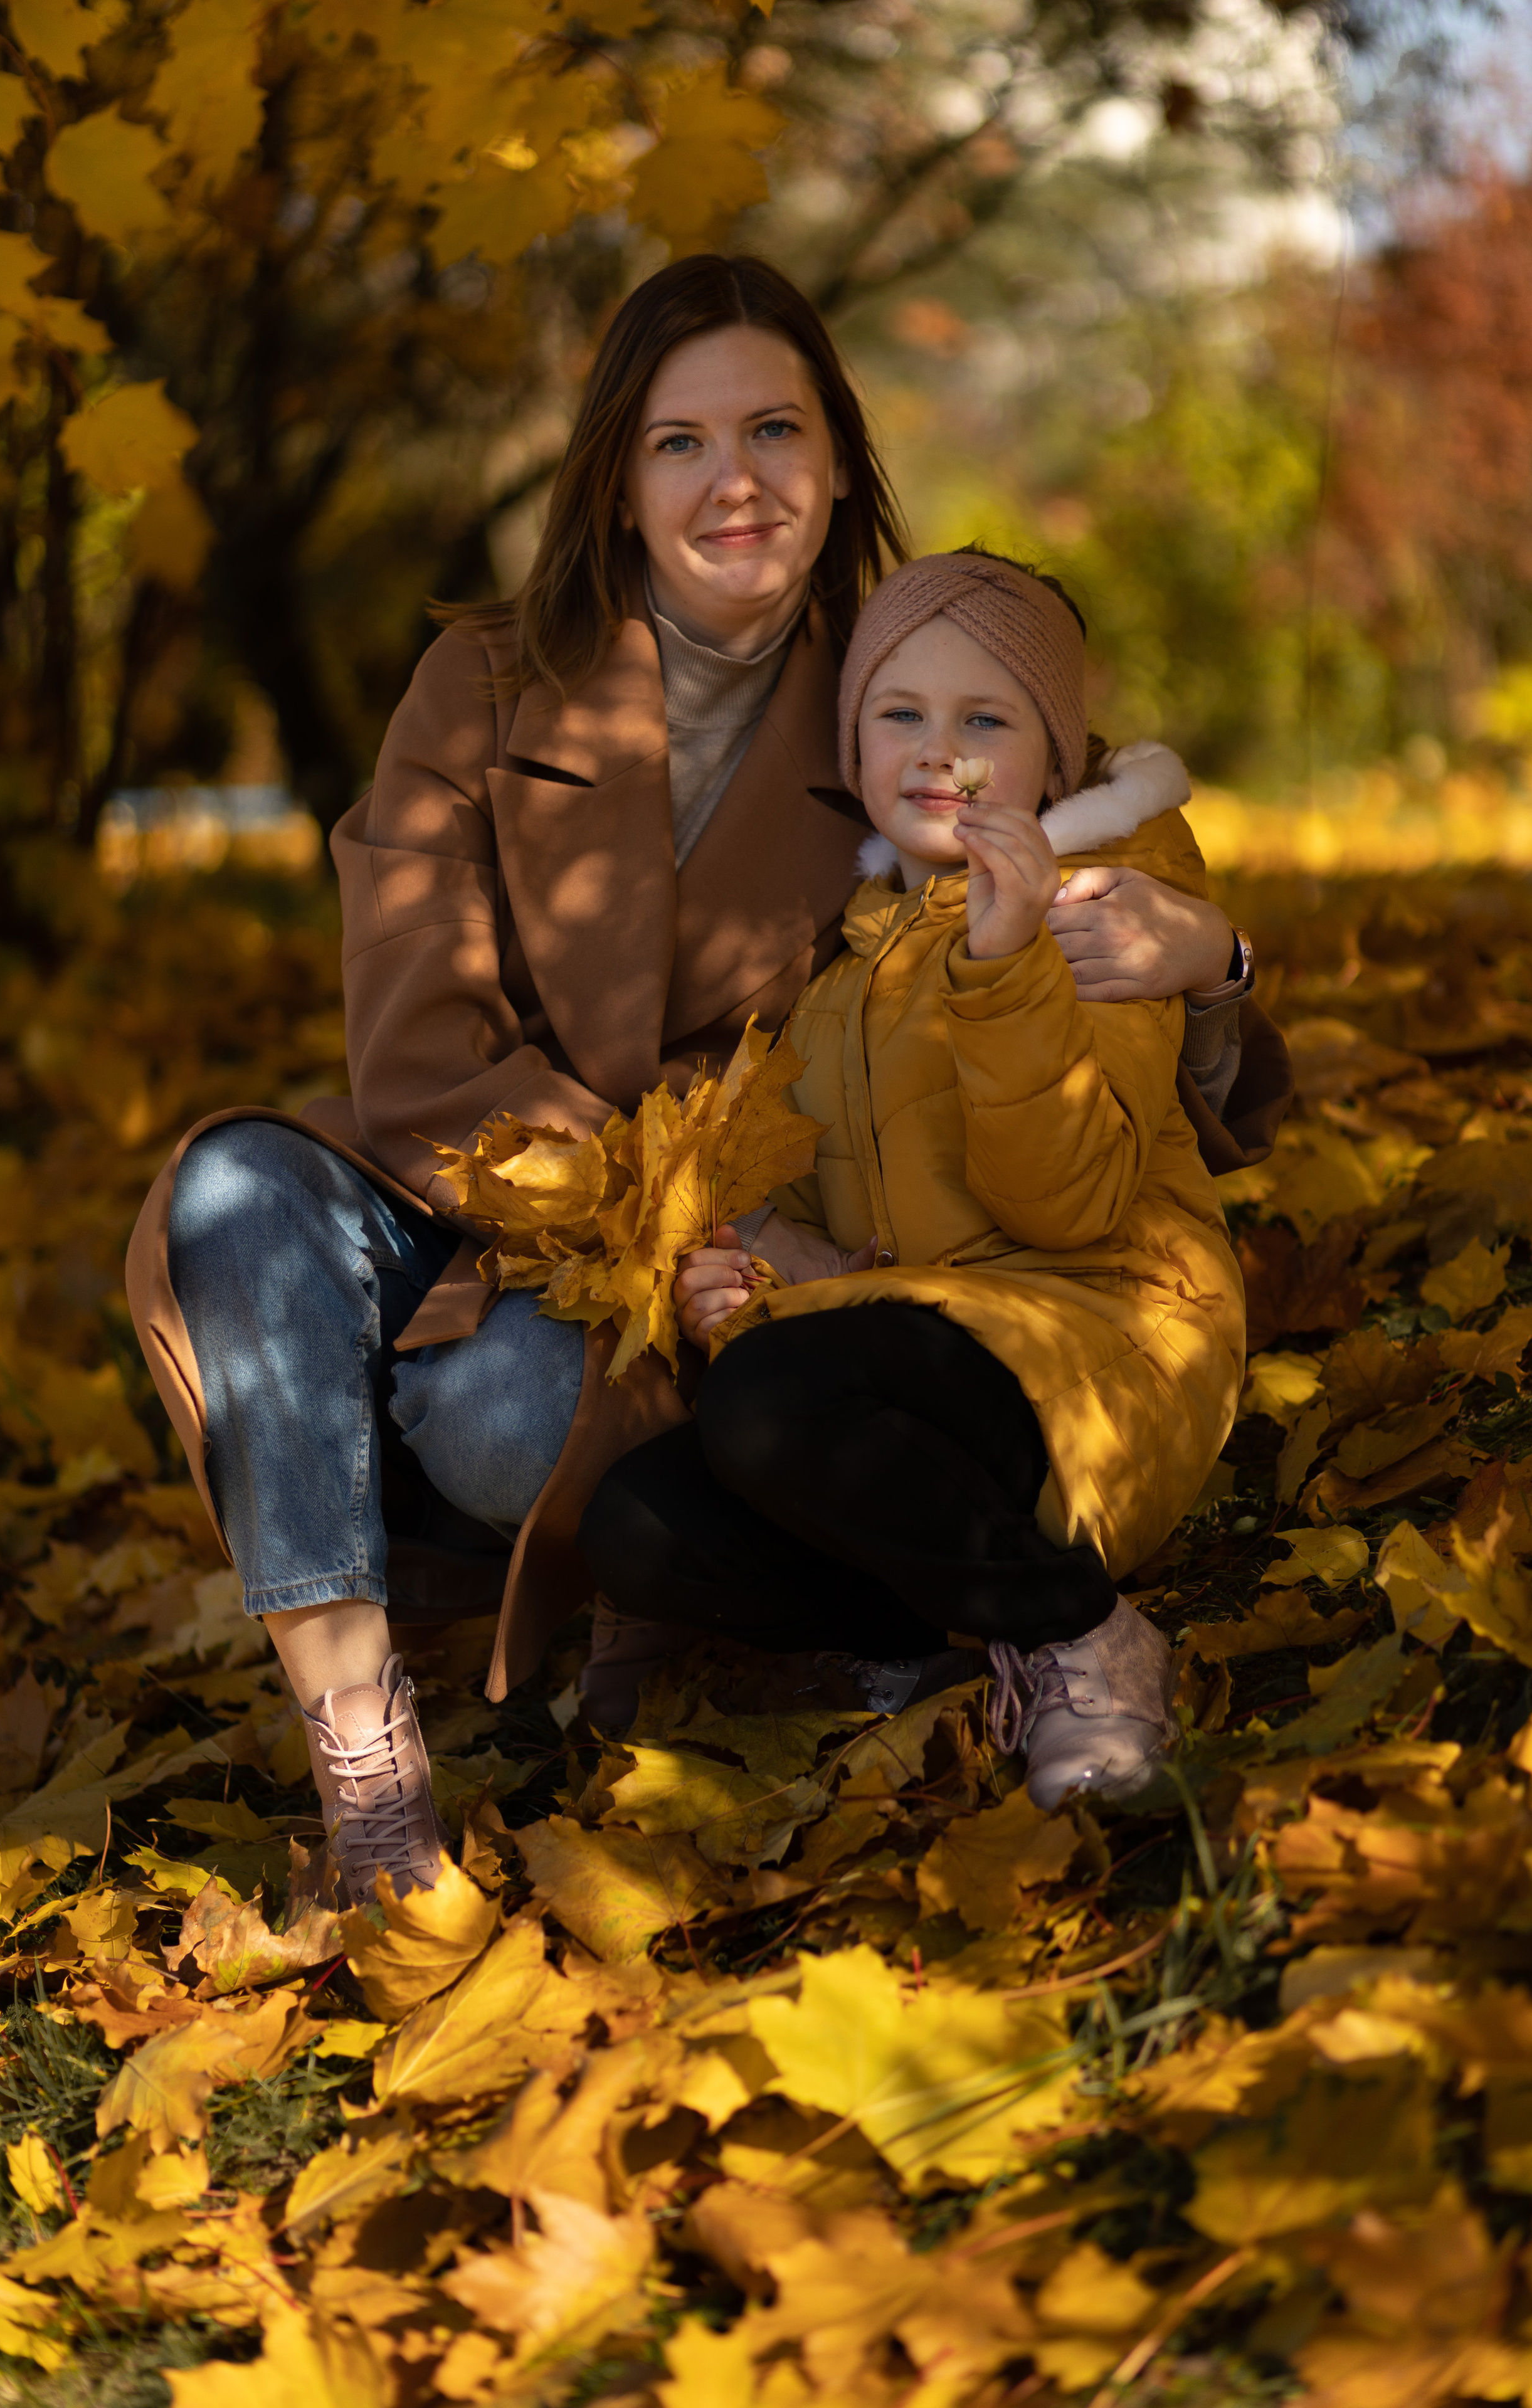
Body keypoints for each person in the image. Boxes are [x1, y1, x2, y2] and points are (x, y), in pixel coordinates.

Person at [125, 256, 1288, 1904]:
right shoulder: (480, 686)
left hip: (717, 1296)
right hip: (484, 1201)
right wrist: (636, 1208)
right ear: (614, 472)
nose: (734, 481)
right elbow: (412, 1056)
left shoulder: (902, 704)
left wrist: (1218, 962)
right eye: (679, 441)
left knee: (500, 1414)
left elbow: (1115, 946)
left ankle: (750, 1620)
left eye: (775, 429)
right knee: (233, 1191)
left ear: (839, 460)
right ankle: (369, 1776)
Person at [579, 550, 1249, 1809]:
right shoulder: (846, 959)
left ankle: (1080, 1639)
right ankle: (914, 1653)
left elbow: (1073, 1206)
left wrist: (1006, 964)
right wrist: (757, 1270)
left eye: (983, 721)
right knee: (636, 1524)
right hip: (925, 1348)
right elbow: (834, 1224)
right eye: (901, 716)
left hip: (1099, 1340)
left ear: (1051, 761)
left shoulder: (1096, 899)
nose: (937, 754)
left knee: (772, 1402)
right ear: (854, 742)